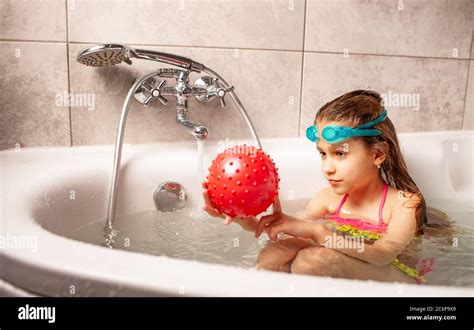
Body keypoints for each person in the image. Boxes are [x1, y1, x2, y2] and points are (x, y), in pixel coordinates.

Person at [203, 90, 434, 283]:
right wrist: (245, 219)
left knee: (313, 260)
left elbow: (381, 255)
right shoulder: (327, 199)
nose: (327, 168)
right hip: (357, 271)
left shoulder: (404, 204)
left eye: (340, 154)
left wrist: (317, 232)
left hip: (401, 282)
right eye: (323, 154)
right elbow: (287, 233)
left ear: (377, 154)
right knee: (277, 253)